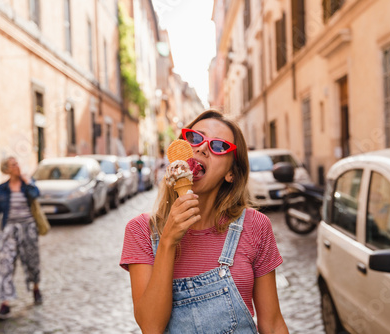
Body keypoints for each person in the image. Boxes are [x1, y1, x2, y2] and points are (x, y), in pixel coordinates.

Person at [120, 109, 289, 333]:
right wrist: (168, 240)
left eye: (219, 146)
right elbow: (151, 326)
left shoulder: (256, 226)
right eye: (195, 138)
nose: (201, 148)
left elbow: (273, 324)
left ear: (231, 174)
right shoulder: (141, 231)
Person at [0, 156, 43, 320]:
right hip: (9, 230)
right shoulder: (1, 189)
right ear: (7, 169)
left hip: (28, 229)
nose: (17, 166)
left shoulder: (27, 184)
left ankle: (36, 288)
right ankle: (5, 303)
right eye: (13, 165)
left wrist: (28, 181)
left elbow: (36, 195)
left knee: (33, 263)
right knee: (5, 266)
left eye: (17, 163)